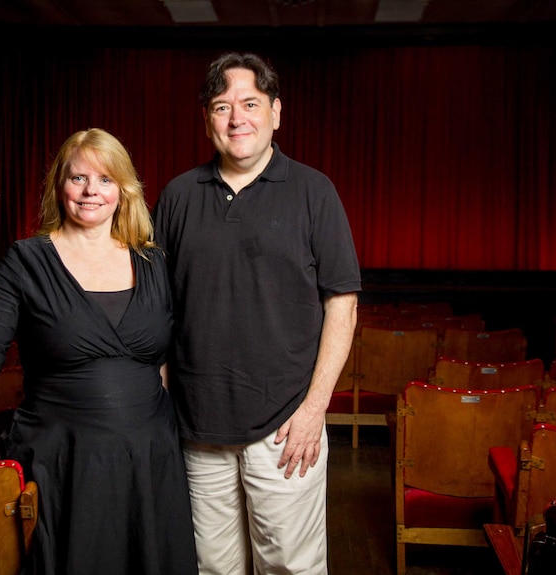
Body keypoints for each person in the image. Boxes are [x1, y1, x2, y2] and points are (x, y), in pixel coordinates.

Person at [0, 128, 198, 575]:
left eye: (105, 180)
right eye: (79, 178)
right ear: (59, 186)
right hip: (63, 461)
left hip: (150, 460)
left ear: (124, 190)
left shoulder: (153, 263)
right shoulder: (25, 261)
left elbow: (160, 364)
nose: (92, 191)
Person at [152, 52, 361, 574]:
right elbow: (156, 308)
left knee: (289, 568)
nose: (236, 118)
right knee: (212, 567)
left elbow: (344, 305)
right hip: (197, 426)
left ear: (275, 112)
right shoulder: (177, 197)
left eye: (249, 103)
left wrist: (315, 410)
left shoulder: (315, 192)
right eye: (222, 107)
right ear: (207, 119)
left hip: (287, 428)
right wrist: (160, 398)